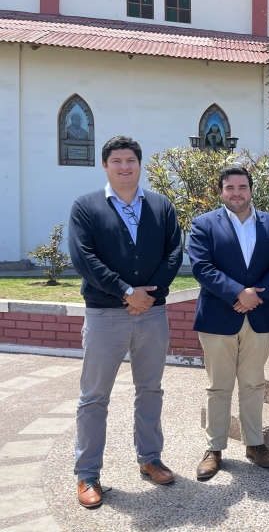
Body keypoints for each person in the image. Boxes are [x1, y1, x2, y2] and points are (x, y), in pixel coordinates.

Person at [68, 136, 182, 509]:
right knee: (94, 397)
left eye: (130, 160)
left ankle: (150, 459)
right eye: (116, 160)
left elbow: (173, 250)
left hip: (152, 314)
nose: (124, 166)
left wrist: (149, 294)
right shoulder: (86, 207)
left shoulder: (161, 206)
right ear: (105, 166)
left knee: (150, 390)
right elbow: (83, 257)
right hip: (105, 316)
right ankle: (87, 474)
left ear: (139, 164)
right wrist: (124, 291)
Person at [187, 165, 269, 480]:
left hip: (259, 314)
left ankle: (254, 444)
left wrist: (256, 295)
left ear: (251, 190)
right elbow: (201, 266)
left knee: (254, 383)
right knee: (219, 386)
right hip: (218, 317)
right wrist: (237, 293)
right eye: (230, 187)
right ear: (221, 191)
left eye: (242, 187)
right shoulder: (204, 224)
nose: (236, 193)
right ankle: (214, 448)